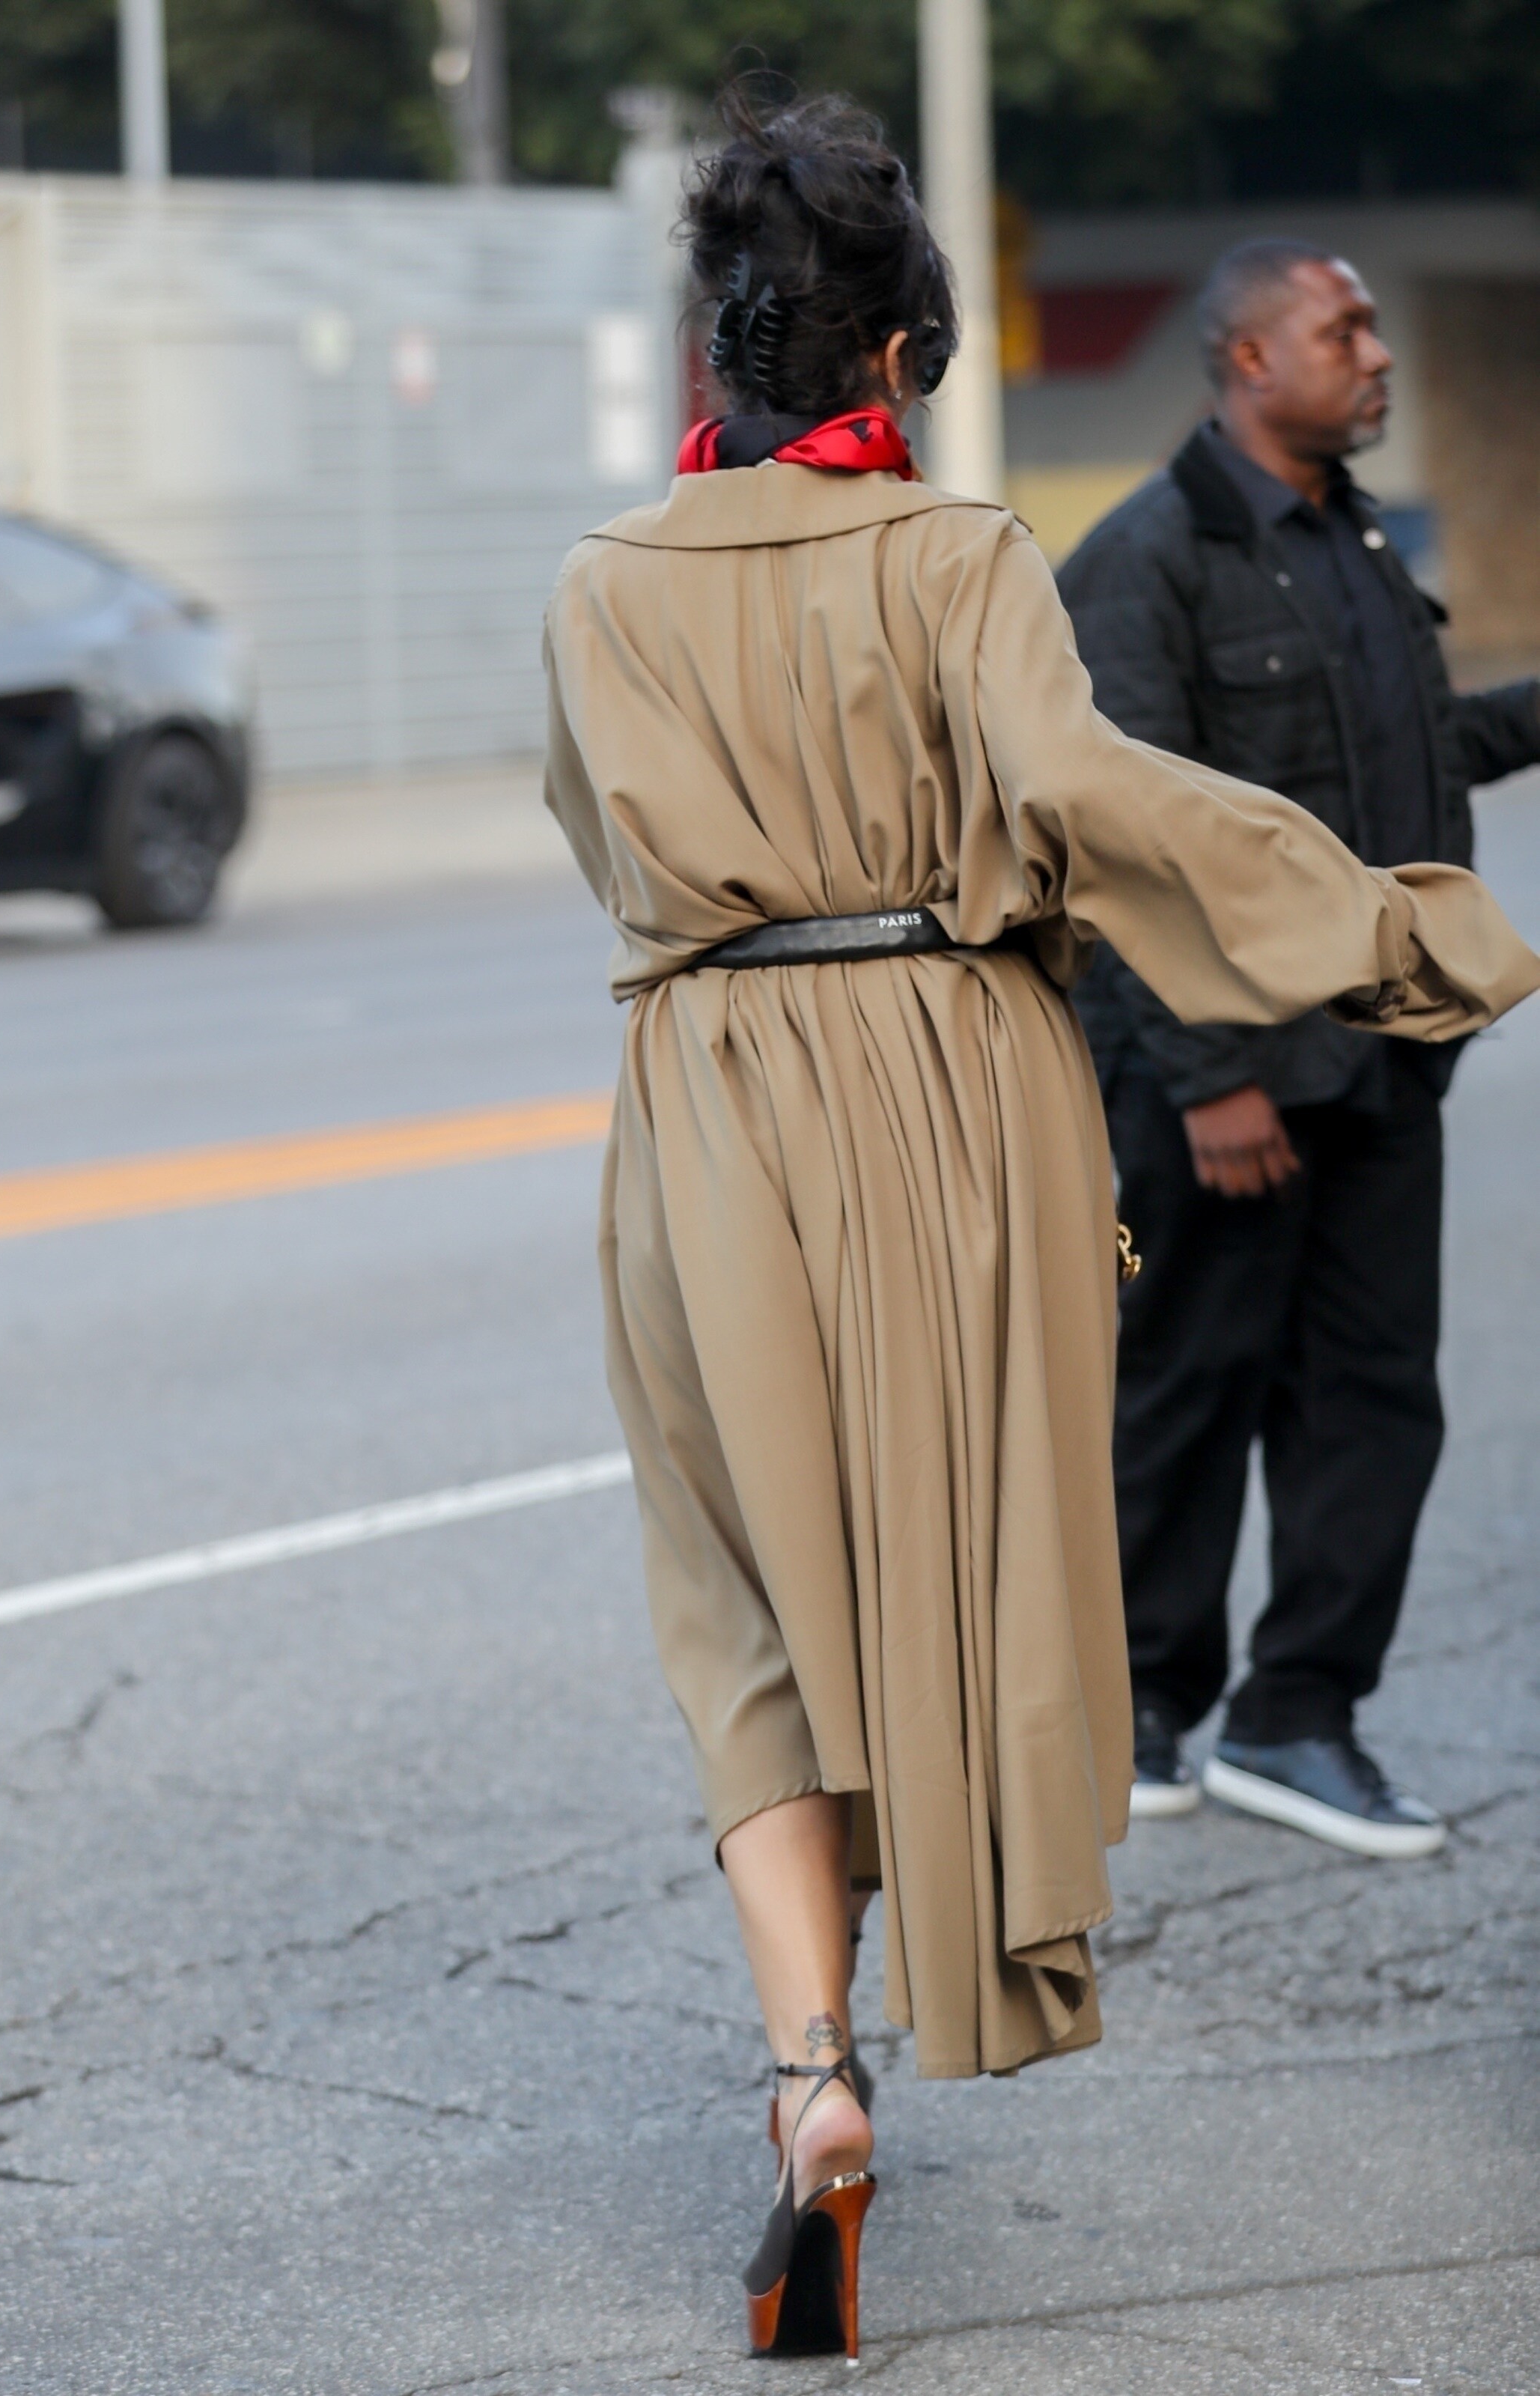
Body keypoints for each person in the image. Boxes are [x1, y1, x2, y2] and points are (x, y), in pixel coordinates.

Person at [542, 105, 1538, 2359]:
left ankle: (807, 2075)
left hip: (702, 1094)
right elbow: (1091, 804)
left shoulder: (598, 577)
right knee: (954, 1551)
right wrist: (1381, 931)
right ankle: (952, 1946)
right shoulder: (957, 552)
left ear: (721, 344)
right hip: (941, 1068)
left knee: (742, 1603)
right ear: (900, 353)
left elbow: (596, 840)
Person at [1059, 241, 1540, 1858]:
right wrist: (1209, 1076)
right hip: (1217, 1082)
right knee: (1182, 1386)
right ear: (1249, 359)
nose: (1377, 353)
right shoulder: (1147, 558)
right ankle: (1134, 1709)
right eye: (1345, 328)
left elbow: (1412, 757)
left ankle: (1296, 1716)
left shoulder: (1351, 540)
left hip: (1377, 1061)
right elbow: (1117, 840)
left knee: (1372, 1399)